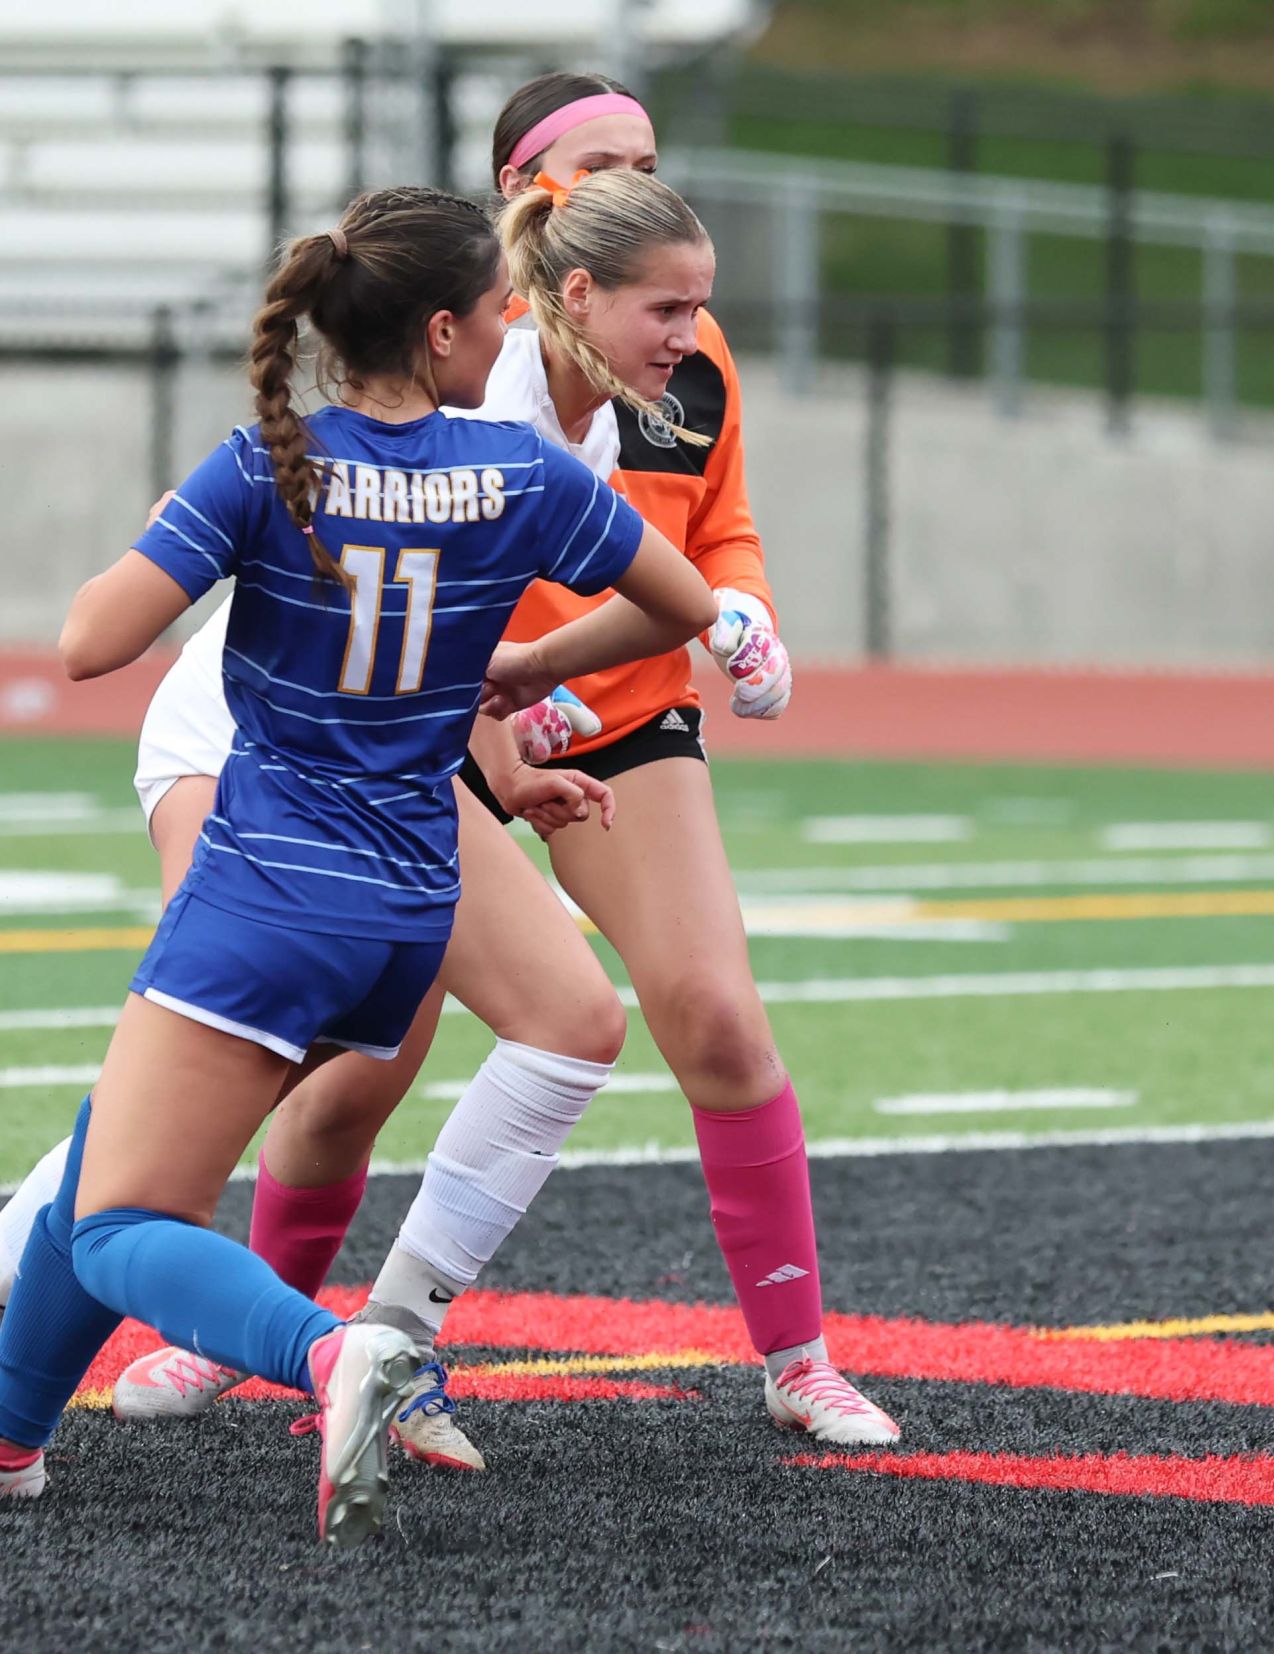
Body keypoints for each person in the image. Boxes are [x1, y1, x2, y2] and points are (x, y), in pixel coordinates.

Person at [0, 77, 897, 1467]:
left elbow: (90, 640)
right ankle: (80, 1412)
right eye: (602, 172)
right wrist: (604, 672)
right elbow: (626, 604)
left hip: (322, 812)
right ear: (511, 279)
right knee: (325, 1081)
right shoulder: (511, 457)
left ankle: (340, 1345)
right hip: (389, 817)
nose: (679, 321)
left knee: (138, 1181)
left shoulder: (278, 460)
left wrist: (205, 523)